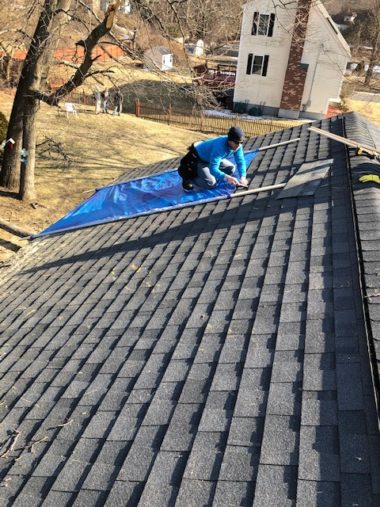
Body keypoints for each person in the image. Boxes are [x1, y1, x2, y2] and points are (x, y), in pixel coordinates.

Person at [178, 126, 248, 191]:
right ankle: (189, 179)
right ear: (229, 140)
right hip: (200, 159)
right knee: (211, 183)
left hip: (211, 157)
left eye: (241, 142)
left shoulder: (238, 146)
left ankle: (208, 174)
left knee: (231, 169)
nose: (238, 145)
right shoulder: (219, 147)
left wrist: (243, 177)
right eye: (236, 142)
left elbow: (240, 161)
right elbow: (213, 169)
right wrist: (227, 178)